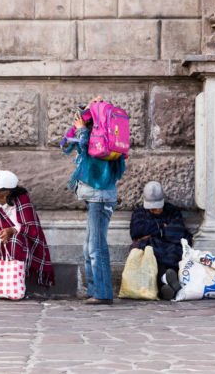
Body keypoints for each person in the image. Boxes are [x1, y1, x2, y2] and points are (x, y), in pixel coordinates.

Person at [63, 96, 126, 305]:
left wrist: (82, 128)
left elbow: (83, 148)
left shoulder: (99, 142)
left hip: (100, 198)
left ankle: (102, 292)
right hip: (96, 197)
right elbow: (65, 145)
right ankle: (95, 289)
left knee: (96, 247)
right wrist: (82, 122)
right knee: (88, 246)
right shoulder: (97, 138)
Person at [0, 170, 54, 296]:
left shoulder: (22, 201)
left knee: (14, 242)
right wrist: (1, 233)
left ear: (6, 192)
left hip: (22, 237)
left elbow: (31, 228)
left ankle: (12, 286)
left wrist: (11, 230)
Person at [130, 181, 193, 300]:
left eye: (156, 207)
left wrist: (153, 233)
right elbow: (137, 232)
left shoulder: (172, 211)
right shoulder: (139, 213)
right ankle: (167, 282)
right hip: (152, 249)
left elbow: (178, 232)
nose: (154, 210)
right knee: (152, 256)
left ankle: (166, 282)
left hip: (170, 247)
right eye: (151, 208)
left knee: (173, 254)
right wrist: (162, 229)